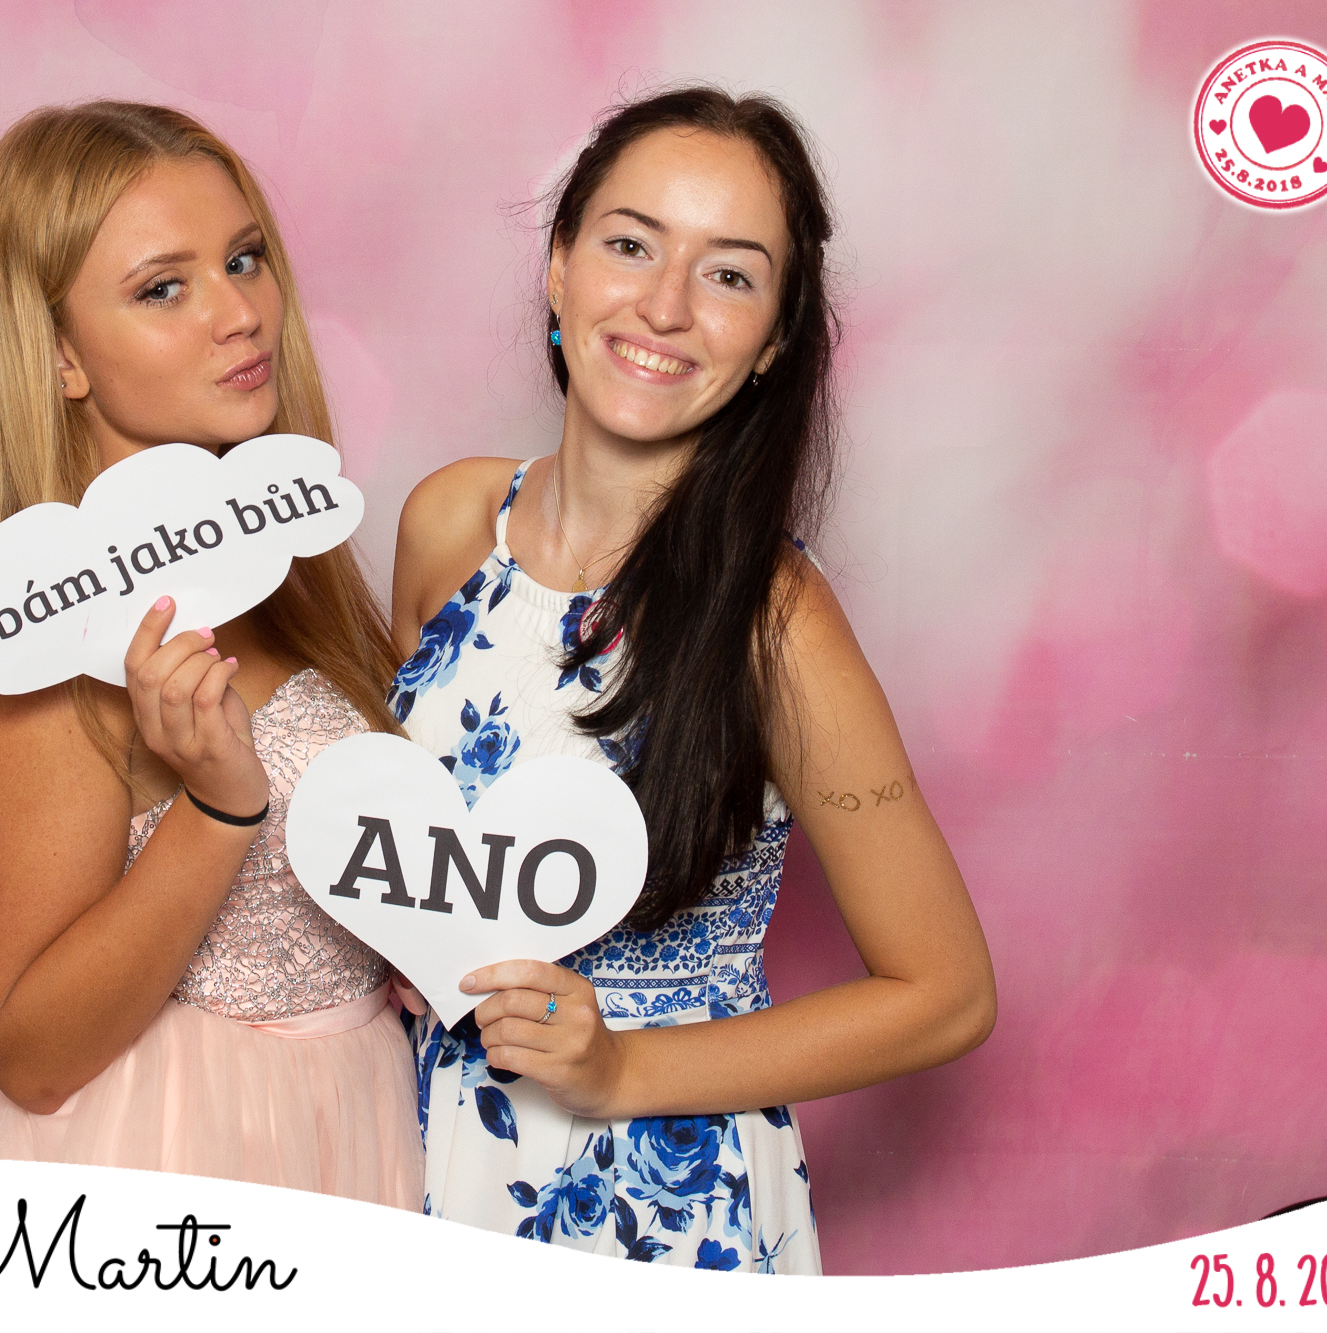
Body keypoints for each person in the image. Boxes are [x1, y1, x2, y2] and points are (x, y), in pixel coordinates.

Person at [388, 88, 997, 1268]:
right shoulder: (449, 520)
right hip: (423, 1147)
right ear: (558, 267)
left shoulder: (773, 622)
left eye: (727, 275)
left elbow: (945, 990)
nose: (664, 306)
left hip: (655, 1206)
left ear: (771, 341)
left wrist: (623, 1067)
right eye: (629, 245)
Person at [0, 101, 420, 1207]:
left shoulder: (287, 578)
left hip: (358, 1136)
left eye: (243, 259)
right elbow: (33, 1052)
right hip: (176, 1161)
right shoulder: (48, 643)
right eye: (162, 288)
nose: (239, 314)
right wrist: (218, 806)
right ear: (60, 356)